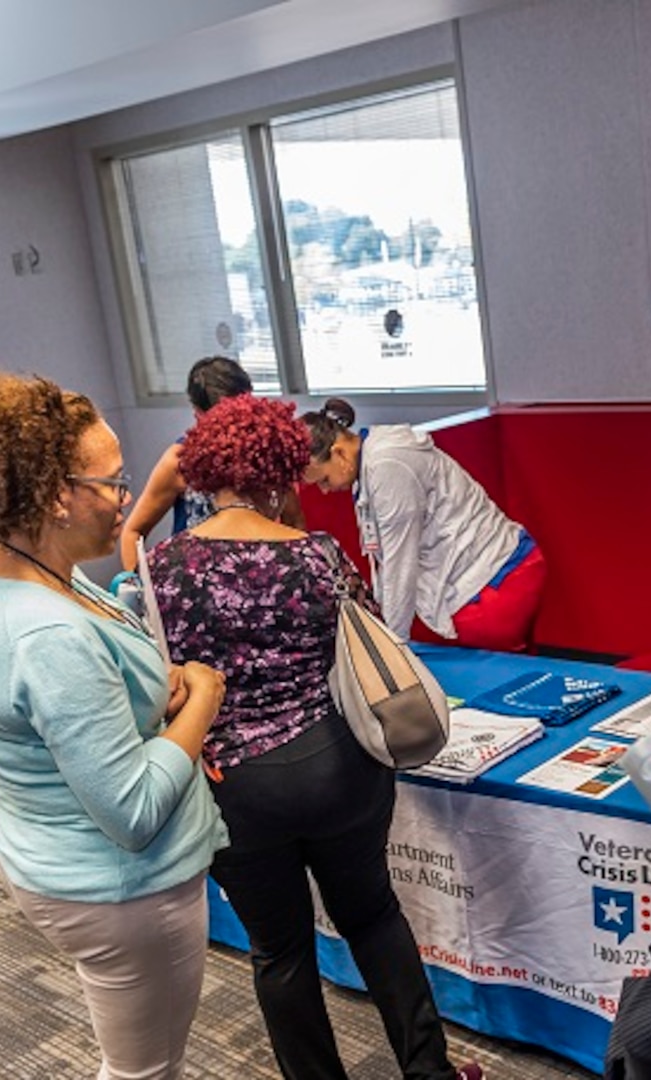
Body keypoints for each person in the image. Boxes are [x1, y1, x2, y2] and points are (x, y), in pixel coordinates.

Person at [146, 394, 477, 1080]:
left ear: (207, 472)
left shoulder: (164, 567)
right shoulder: (318, 555)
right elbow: (365, 641)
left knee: (280, 954)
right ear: (282, 469)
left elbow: (162, 683)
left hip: (235, 785)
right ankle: (430, 1073)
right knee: (375, 917)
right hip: (339, 770)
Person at [0, 372, 228, 1079]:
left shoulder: (6, 569)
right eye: (113, 482)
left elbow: (72, 705)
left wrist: (149, 692)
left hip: (58, 860)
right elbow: (133, 810)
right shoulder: (46, 634)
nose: (128, 499)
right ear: (58, 495)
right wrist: (206, 697)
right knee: (144, 1068)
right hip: (121, 887)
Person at [300, 397, 545, 652]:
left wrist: (393, 651)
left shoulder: (388, 465)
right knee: (522, 676)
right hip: (508, 567)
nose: (325, 491)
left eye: (324, 480)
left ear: (339, 453)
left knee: (501, 680)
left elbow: (399, 564)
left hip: (492, 581)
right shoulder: (373, 456)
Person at [119, 356, 303, 571]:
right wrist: (138, 590)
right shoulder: (179, 460)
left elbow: (294, 519)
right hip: (195, 581)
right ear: (198, 413)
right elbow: (133, 532)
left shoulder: (266, 453)